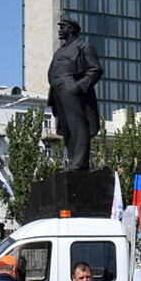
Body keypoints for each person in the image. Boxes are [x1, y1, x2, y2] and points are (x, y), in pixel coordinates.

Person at [47, 17, 103, 171]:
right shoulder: (60, 50)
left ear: (71, 29)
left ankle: (80, 162)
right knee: (66, 128)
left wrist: (78, 87)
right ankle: (73, 161)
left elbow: (96, 69)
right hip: (58, 90)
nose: (60, 30)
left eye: (62, 27)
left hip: (72, 88)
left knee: (77, 125)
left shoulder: (84, 47)